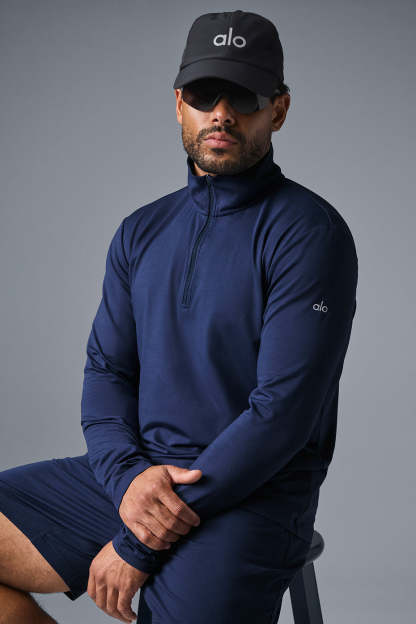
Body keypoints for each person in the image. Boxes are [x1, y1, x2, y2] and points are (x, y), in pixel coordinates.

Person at [0, 9, 358, 624]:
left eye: (243, 96)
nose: (221, 113)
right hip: (137, 477)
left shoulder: (309, 234)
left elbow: (281, 414)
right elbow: (107, 372)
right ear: (178, 104)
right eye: (203, 94)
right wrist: (128, 480)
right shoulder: (141, 231)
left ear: (278, 109)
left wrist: (139, 541)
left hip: (250, 497)